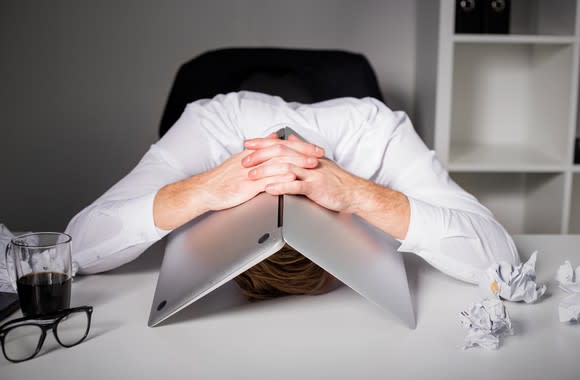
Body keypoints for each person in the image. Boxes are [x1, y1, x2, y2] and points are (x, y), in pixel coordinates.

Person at [65, 91, 520, 299]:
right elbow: (75, 249)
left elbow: (501, 262)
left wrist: (358, 194)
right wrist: (204, 189)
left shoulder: (378, 134)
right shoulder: (208, 128)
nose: (286, 183)